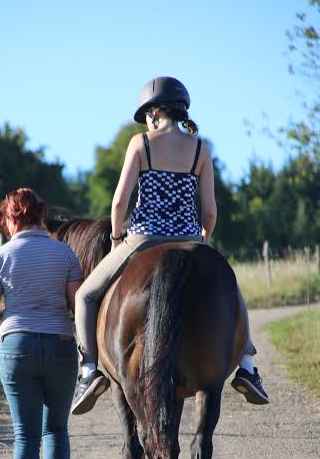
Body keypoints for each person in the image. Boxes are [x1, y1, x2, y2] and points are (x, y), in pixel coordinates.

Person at [72, 76, 269, 415]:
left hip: (142, 239)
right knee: (232, 290)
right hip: (191, 239)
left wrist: (118, 238)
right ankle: (248, 367)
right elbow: (209, 209)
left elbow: (120, 202)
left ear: (154, 112)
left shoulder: (141, 144)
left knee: (85, 296)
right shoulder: (201, 149)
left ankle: (88, 371)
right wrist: (202, 240)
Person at [0, 188, 83, 459]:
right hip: (60, 345)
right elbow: (76, 306)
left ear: (10, 218)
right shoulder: (65, 253)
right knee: (56, 429)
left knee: (25, 436)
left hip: (16, 348)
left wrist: (18, 309)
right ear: (42, 215)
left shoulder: (0, 257)